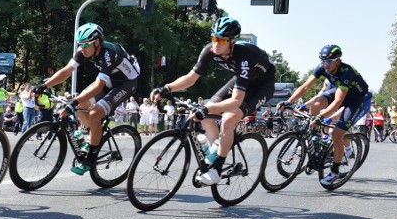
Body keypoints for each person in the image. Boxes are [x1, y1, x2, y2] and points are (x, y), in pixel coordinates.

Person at [152, 17, 276, 185]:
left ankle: (216, 169)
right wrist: (166, 88)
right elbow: (190, 79)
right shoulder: (210, 50)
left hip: (262, 86)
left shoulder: (245, 56)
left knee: (227, 119)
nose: (216, 44)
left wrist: (206, 109)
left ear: (232, 42)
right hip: (240, 81)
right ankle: (215, 151)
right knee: (207, 116)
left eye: (221, 40)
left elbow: (236, 100)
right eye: (214, 38)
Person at [35, 23, 140, 175]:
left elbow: (98, 86)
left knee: (94, 113)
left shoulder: (108, 54)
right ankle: (92, 136)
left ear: (97, 42)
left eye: (85, 45)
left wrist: (73, 103)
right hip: (110, 79)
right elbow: (67, 70)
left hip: (126, 83)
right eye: (80, 45)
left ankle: (91, 157)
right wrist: (44, 86)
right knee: (81, 104)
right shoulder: (84, 51)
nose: (82, 49)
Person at [285, 44, 372, 183]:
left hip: (357, 100)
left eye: (329, 62)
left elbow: (338, 101)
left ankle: (335, 171)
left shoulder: (346, 72)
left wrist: (321, 117)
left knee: (336, 134)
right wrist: (288, 102)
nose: (326, 65)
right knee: (317, 102)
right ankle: (316, 139)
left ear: (338, 60)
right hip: (341, 92)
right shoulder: (322, 67)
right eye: (324, 61)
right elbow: (306, 86)